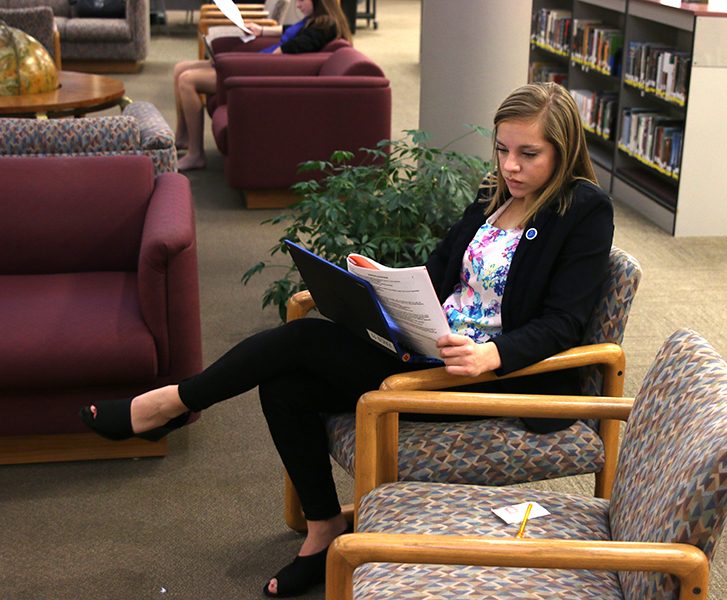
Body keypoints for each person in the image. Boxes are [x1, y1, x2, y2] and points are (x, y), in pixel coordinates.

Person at [79, 82, 615, 598]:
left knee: (300, 343)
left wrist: (487, 355)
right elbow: (443, 272)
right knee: (287, 384)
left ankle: (170, 405)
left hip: (491, 376)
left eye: (529, 153)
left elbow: (564, 322)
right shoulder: (493, 196)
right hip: (431, 346)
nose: (510, 166)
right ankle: (323, 526)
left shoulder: (582, 211)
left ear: (564, 153)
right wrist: (385, 279)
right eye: (502, 150)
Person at [172, 0, 352, 171]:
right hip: (256, 62)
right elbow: (289, 30)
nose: (297, 5)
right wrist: (262, 30)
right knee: (180, 68)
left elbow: (289, 50)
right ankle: (182, 136)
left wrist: (240, 60)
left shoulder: (323, 27)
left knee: (187, 80)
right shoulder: (317, 22)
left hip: (255, 70)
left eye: (302, 0)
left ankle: (196, 153)